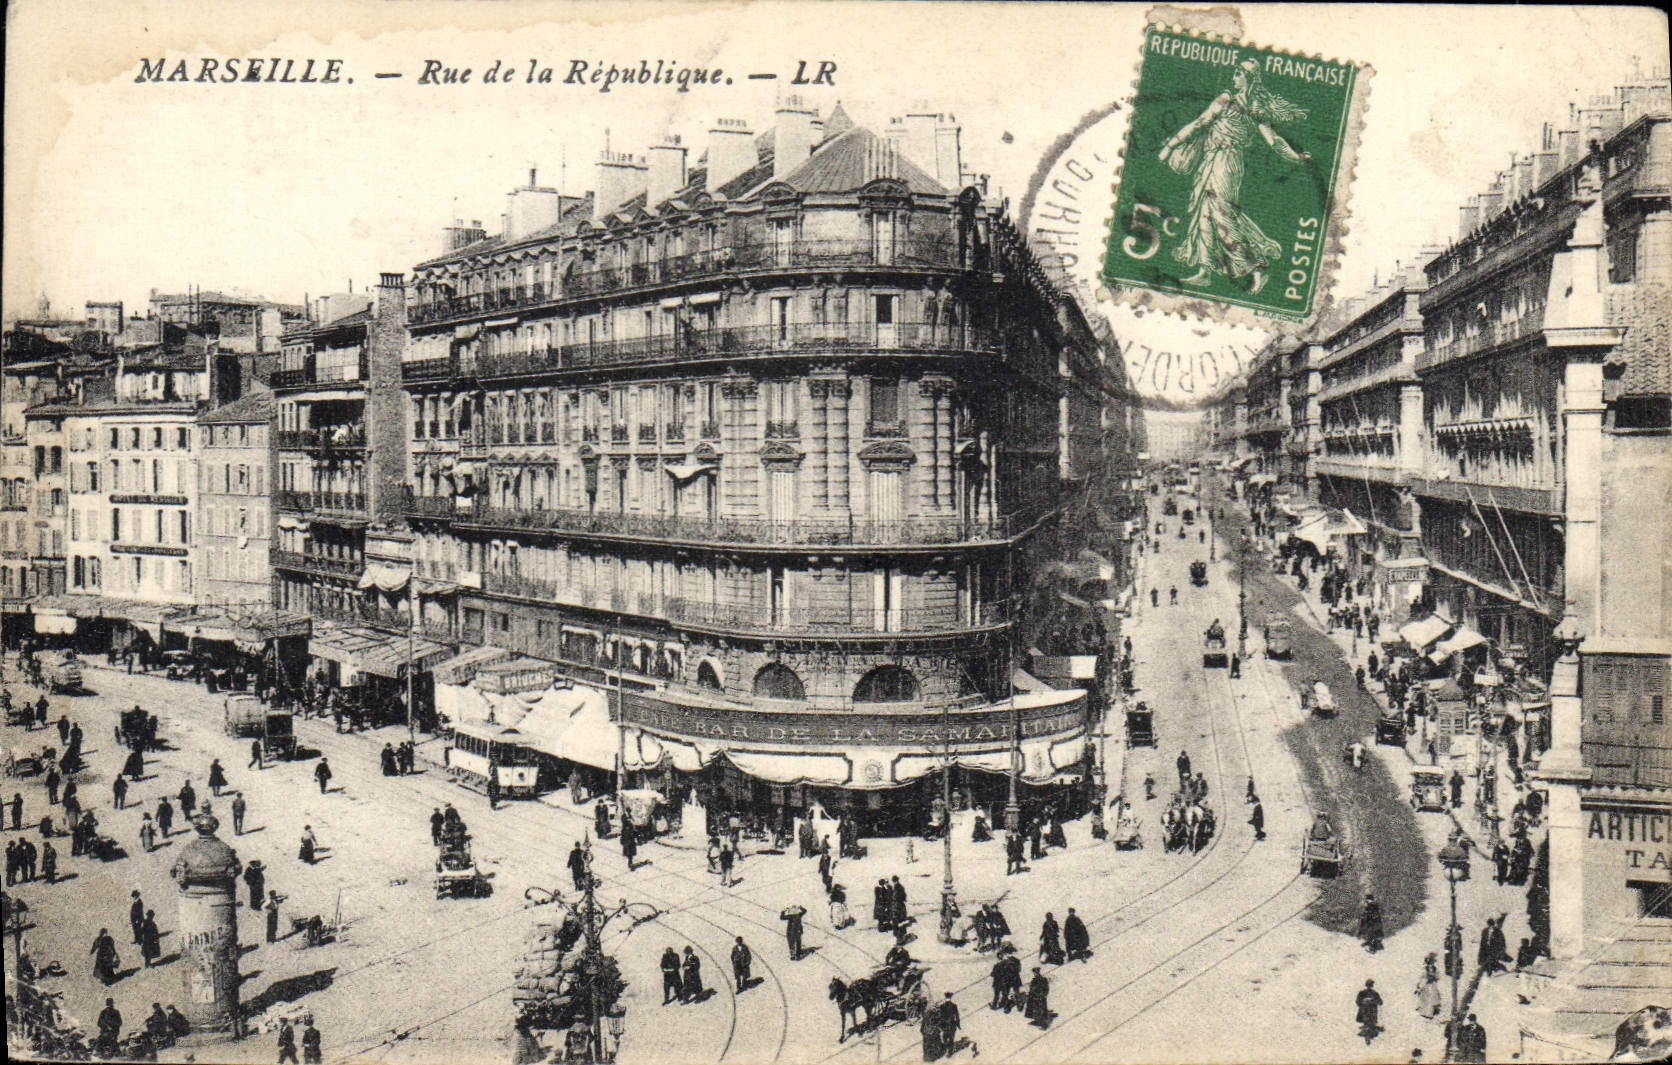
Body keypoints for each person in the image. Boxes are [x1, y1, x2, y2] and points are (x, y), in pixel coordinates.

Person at [1355, 978, 1383, 1043]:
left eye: (1370, 985)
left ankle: (1370, 1034)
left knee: (1371, 1024)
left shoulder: (1375, 993)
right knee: (1367, 1023)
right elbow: (1358, 1001)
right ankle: (1367, 1035)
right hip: (1365, 1012)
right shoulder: (1362, 993)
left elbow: (1380, 1002)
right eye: (1369, 985)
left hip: (1372, 1013)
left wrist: (1372, 1001)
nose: (1369, 986)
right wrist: (1364, 1002)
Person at [1415, 953, 1443, 1019]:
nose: (1431, 964)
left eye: (1432, 962)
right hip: (1426, 985)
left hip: (1432, 985)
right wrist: (1420, 985)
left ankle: (1432, 1011)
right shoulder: (1425, 969)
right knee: (1426, 998)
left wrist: (1434, 977)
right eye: (1430, 962)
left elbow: (1438, 976)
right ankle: (1425, 1012)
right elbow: (1422, 977)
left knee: (1433, 997)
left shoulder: (1435, 969)